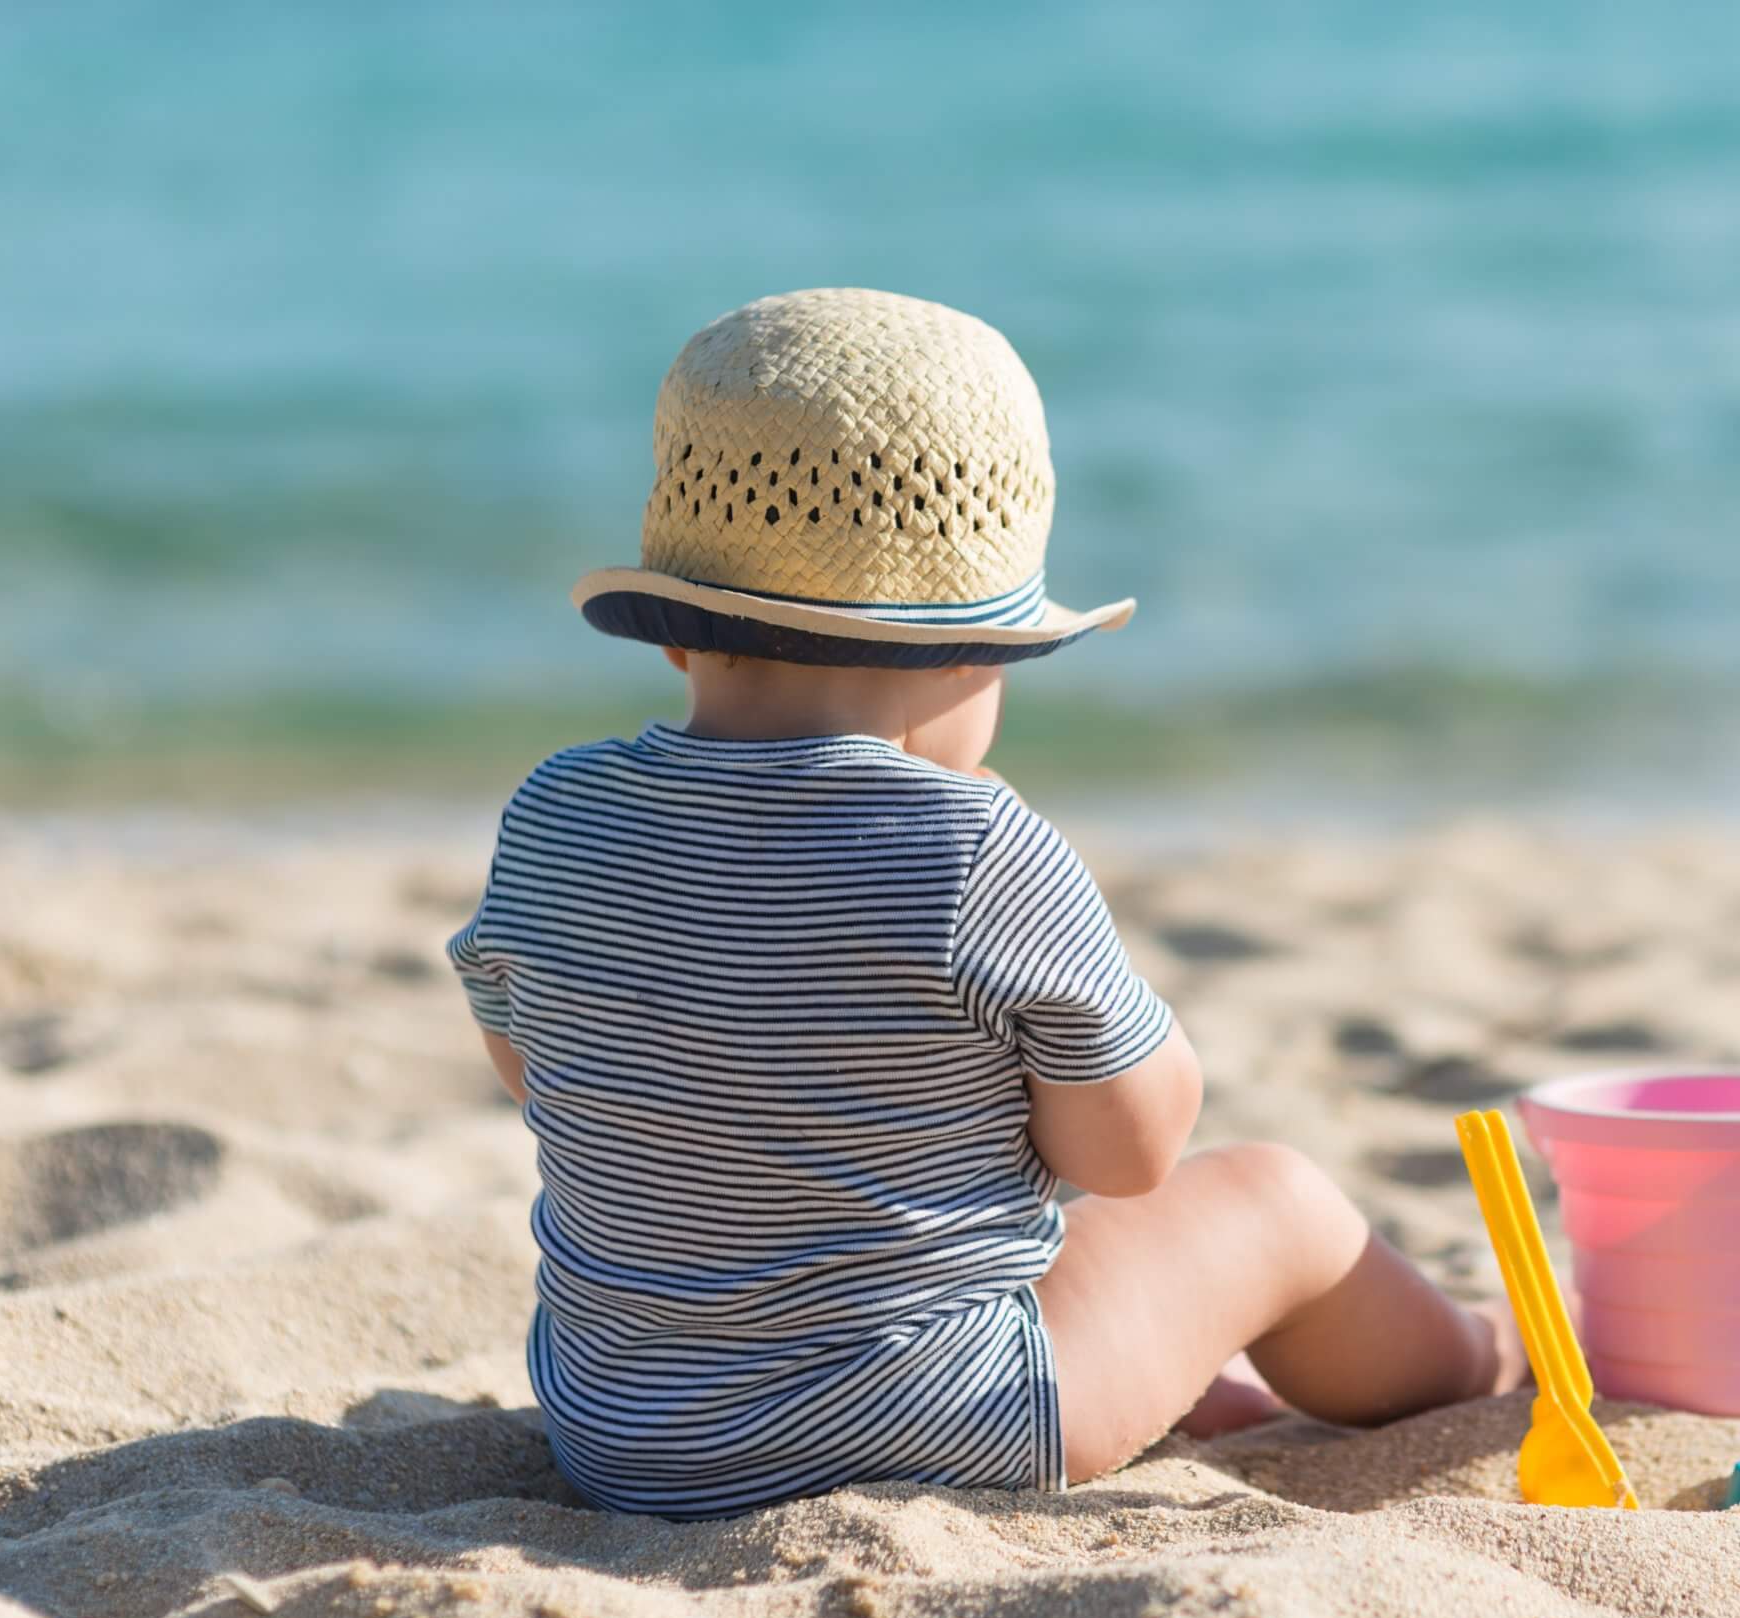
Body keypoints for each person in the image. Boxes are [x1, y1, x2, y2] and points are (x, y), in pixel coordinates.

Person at [449, 288, 1519, 1517]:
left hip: (621, 1430)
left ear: (679, 636)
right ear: (969, 654)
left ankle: (1181, 1376)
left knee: (1038, 1247)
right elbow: (1131, 1153)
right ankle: (1478, 1356)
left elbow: (535, 1067)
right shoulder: (973, 845)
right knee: (1270, 1199)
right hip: (939, 1420)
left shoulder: (554, 812)